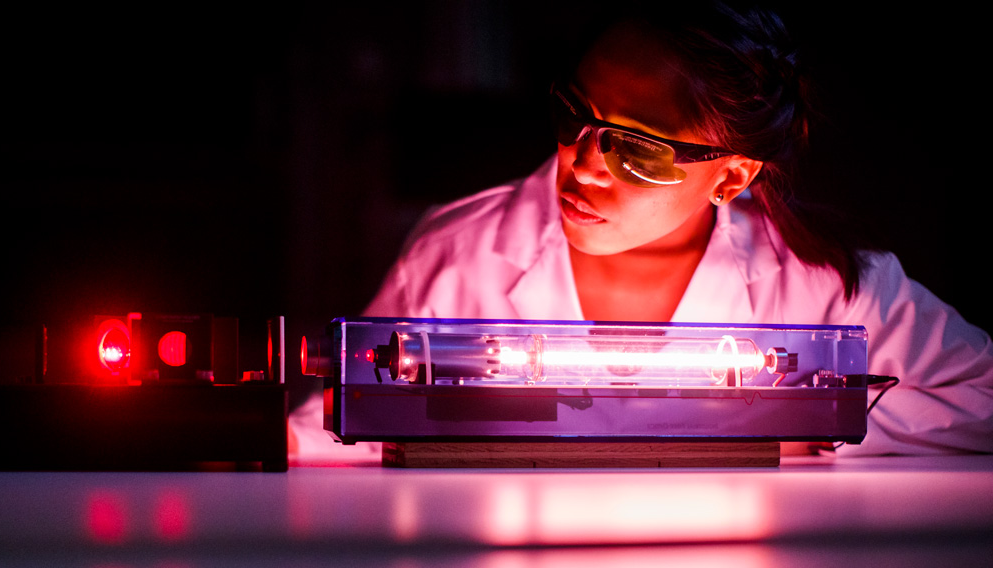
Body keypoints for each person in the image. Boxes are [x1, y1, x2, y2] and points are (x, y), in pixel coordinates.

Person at [360, 2, 993, 456]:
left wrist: (818, 424)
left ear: (731, 175)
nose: (581, 163)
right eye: (573, 113)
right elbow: (353, 416)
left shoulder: (830, 287)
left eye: (637, 151)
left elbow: (983, 397)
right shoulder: (457, 253)